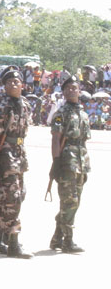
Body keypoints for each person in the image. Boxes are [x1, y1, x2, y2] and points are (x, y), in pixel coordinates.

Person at [0, 69, 32, 258]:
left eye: (16, 81)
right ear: (4, 86)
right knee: (13, 198)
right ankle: (13, 241)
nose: (14, 84)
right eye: (9, 82)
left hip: (19, 153)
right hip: (6, 153)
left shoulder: (25, 104)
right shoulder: (1, 104)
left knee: (9, 197)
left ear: (22, 84)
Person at [49, 75, 90, 253]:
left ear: (79, 91)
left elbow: (84, 141)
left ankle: (57, 238)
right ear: (64, 92)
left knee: (74, 201)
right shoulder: (61, 113)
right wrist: (56, 162)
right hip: (67, 161)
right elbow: (56, 139)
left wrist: (85, 165)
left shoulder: (83, 113)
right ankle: (68, 240)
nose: (72, 91)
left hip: (81, 161)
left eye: (75, 88)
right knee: (70, 201)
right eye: (68, 88)